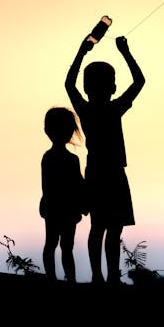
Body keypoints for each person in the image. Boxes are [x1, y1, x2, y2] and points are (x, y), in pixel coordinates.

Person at [65, 15, 145, 285]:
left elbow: (68, 84)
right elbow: (139, 82)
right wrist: (126, 52)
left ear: (87, 88)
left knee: (100, 228)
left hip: (98, 172)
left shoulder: (87, 111)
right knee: (111, 230)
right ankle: (108, 277)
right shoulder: (113, 109)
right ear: (112, 87)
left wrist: (82, 50)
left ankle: (102, 276)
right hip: (111, 173)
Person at [40, 106, 87, 283]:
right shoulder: (58, 159)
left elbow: (79, 185)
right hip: (59, 208)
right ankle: (61, 279)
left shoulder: (58, 158)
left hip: (62, 208)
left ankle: (66, 279)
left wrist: (82, 203)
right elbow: (76, 185)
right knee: (59, 245)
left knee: (61, 245)